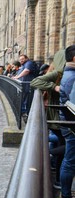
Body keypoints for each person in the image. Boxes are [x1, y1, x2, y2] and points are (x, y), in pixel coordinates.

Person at [31, 49, 66, 187]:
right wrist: (54, 87)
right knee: (65, 149)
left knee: (63, 148)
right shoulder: (57, 73)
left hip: (59, 118)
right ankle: (47, 155)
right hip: (57, 118)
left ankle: (48, 157)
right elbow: (35, 82)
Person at [58, 44, 75, 198]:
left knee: (69, 161)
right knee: (69, 162)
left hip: (68, 124)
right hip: (71, 126)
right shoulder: (72, 77)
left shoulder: (68, 74)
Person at [12, 54, 38, 120]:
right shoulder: (24, 64)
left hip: (29, 86)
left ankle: (27, 116)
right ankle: (25, 114)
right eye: (20, 60)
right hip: (25, 86)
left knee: (27, 102)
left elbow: (26, 71)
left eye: (22, 59)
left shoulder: (29, 63)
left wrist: (17, 77)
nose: (21, 61)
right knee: (24, 101)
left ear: (26, 58)